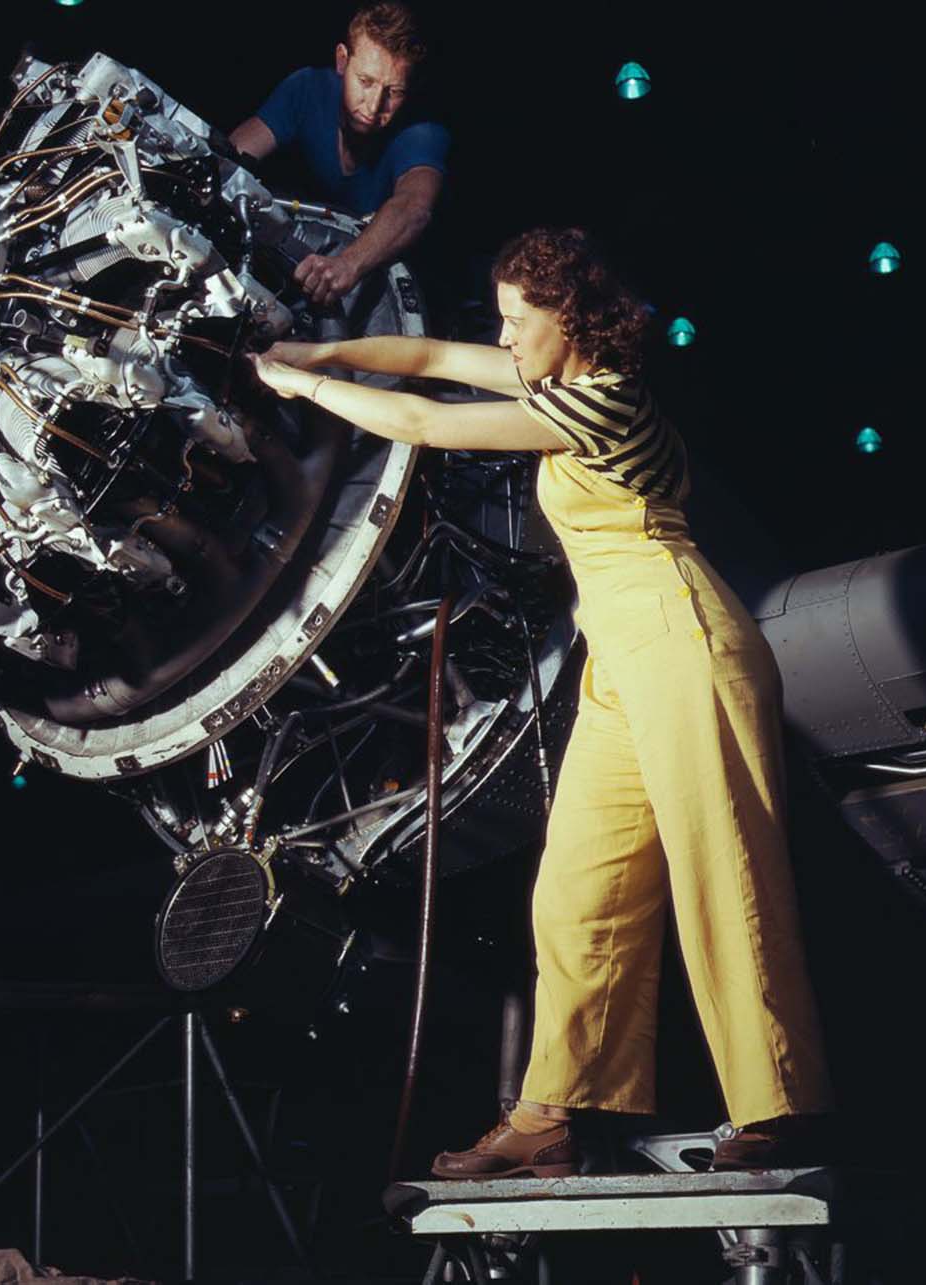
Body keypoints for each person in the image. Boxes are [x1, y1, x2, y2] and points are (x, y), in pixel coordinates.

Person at [251, 227, 834, 1176]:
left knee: (722, 868)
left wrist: (301, 389)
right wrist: (321, 349)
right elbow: (432, 358)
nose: (506, 335)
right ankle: (551, 1115)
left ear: (569, 321)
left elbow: (432, 422)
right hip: (620, 651)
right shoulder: (555, 380)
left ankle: (783, 1102)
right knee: (577, 890)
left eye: (521, 320)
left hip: (682, 633)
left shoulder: (598, 405)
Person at [229, 1, 449, 308]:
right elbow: (229, 160)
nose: (373, 107)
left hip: (381, 290)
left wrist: (348, 264)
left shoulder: (423, 132)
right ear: (342, 60)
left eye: (394, 92)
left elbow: (413, 206)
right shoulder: (305, 88)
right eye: (365, 82)